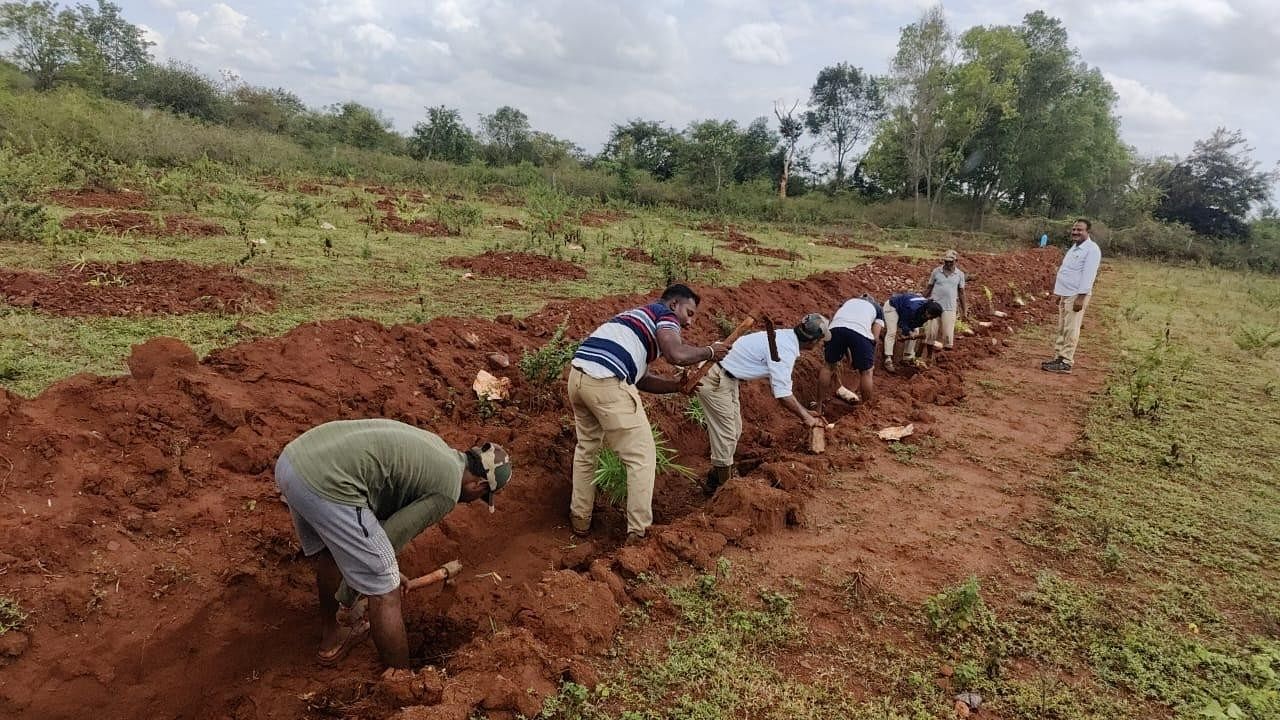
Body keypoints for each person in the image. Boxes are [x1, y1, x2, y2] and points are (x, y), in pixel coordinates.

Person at [274, 419, 512, 669]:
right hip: (328, 484)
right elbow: (392, 534)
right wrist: (353, 594)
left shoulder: (439, 450)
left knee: (333, 551)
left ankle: (333, 638)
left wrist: (382, 566)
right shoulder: (448, 491)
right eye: (481, 497)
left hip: (295, 461)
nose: (474, 501)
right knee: (385, 589)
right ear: (479, 485)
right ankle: (401, 683)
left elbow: (370, 537)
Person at [568, 284, 727, 542]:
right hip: (607, 381)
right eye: (689, 313)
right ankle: (639, 534)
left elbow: (641, 380)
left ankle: (580, 519)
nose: (689, 322)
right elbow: (675, 353)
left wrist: (677, 386)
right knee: (641, 456)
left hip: (578, 378)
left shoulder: (633, 320)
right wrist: (710, 351)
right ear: (674, 305)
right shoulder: (663, 315)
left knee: (587, 450)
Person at [696, 313, 829, 493]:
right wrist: (806, 417)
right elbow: (782, 394)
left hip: (726, 375)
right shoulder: (783, 350)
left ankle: (716, 476)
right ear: (813, 341)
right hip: (714, 377)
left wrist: (805, 411)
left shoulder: (785, 337)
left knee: (734, 429)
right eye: (820, 340)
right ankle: (724, 488)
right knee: (727, 434)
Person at [1043, 219, 1101, 374]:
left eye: (1079, 230)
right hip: (1065, 293)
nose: (1075, 232)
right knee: (1063, 327)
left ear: (1088, 232)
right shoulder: (1074, 248)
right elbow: (1066, 271)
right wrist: (1058, 294)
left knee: (1071, 328)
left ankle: (1066, 361)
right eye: (1074, 229)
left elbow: (1089, 275)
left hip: (1076, 295)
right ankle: (1059, 357)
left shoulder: (1091, 250)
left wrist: (1081, 298)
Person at [817, 294, 885, 415]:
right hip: (859, 333)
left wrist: (851, 356)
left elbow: (843, 328)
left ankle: (818, 407)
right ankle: (866, 411)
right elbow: (874, 338)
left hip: (835, 329)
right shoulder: (878, 309)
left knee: (828, 367)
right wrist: (869, 362)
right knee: (866, 372)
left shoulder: (848, 302)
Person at [882, 292, 943, 372]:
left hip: (905, 309)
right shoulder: (912, 308)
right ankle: (888, 359)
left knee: (916, 331)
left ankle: (907, 358)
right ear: (927, 311)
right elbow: (903, 322)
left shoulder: (926, 311)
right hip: (892, 307)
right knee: (892, 332)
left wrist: (910, 333)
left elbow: (916, 322)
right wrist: (909, 332)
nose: (930, 318)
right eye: (931, 316)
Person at [923, 249, 967, 351]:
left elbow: (961, 293)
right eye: (946, 261)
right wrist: (920, 300)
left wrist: (964, 311)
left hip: (949, 308)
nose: (948, 264)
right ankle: (929, 357)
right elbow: (929, 288)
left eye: (951, 262)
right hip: (934, 306)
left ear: (956, 261)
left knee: (948, 335)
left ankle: (944, 358)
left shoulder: (960, 275)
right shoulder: (936, 272)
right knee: (931, 334)